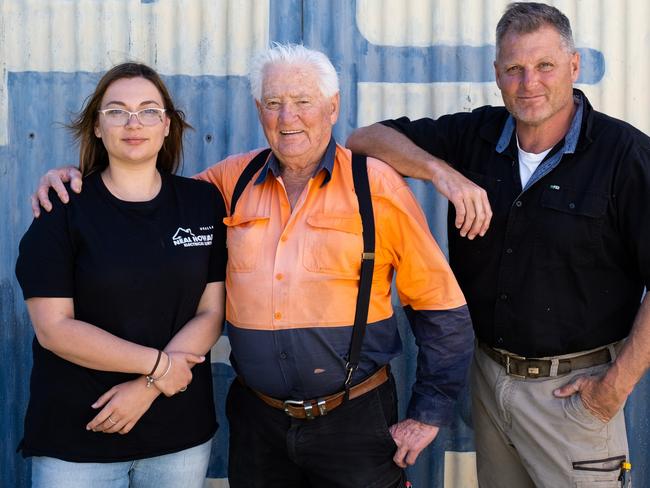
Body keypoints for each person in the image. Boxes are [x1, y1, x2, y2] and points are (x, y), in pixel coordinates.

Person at [30, 44, 474, 488]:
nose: (288, 118)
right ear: (259, 110)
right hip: (258, 425)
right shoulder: (227, 182)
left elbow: (439, 304)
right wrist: (73, 178)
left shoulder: (375, 185)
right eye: (274, 103)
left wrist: (428, 414)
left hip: (355, 422)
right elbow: (146, 199)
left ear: (332, 107)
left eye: (303, 102)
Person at [347, 2, 650, 487]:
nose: (529, 82)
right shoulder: (476, 135)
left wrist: (613, 390)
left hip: (573, 396)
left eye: (545, 65)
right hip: (488, 381)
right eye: (514, 68)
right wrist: (441, 173)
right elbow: (365, 139)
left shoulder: (625, 155)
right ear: (496, 74)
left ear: (574, 66)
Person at [16, 62, 226, 488]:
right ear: (97, 126)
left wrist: (150, 385)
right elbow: (54, 329)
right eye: (117, 111)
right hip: (79, 436)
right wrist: (160, 367)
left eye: (149, 110)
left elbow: (211, 313)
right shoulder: (61, 210)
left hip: (178, 435)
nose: (134, 123)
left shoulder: (203, 202)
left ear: (167, 125)